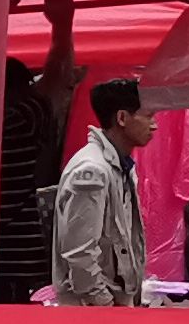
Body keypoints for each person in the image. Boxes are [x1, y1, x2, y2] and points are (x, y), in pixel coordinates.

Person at [53, 77, 155, 309]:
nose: (154, 125)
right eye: (148, 116)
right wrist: (103, 304)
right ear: (122, 118)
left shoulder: (119, 166)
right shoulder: (92, 171)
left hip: (115, 304)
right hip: (93, 310)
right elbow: (79, 252)